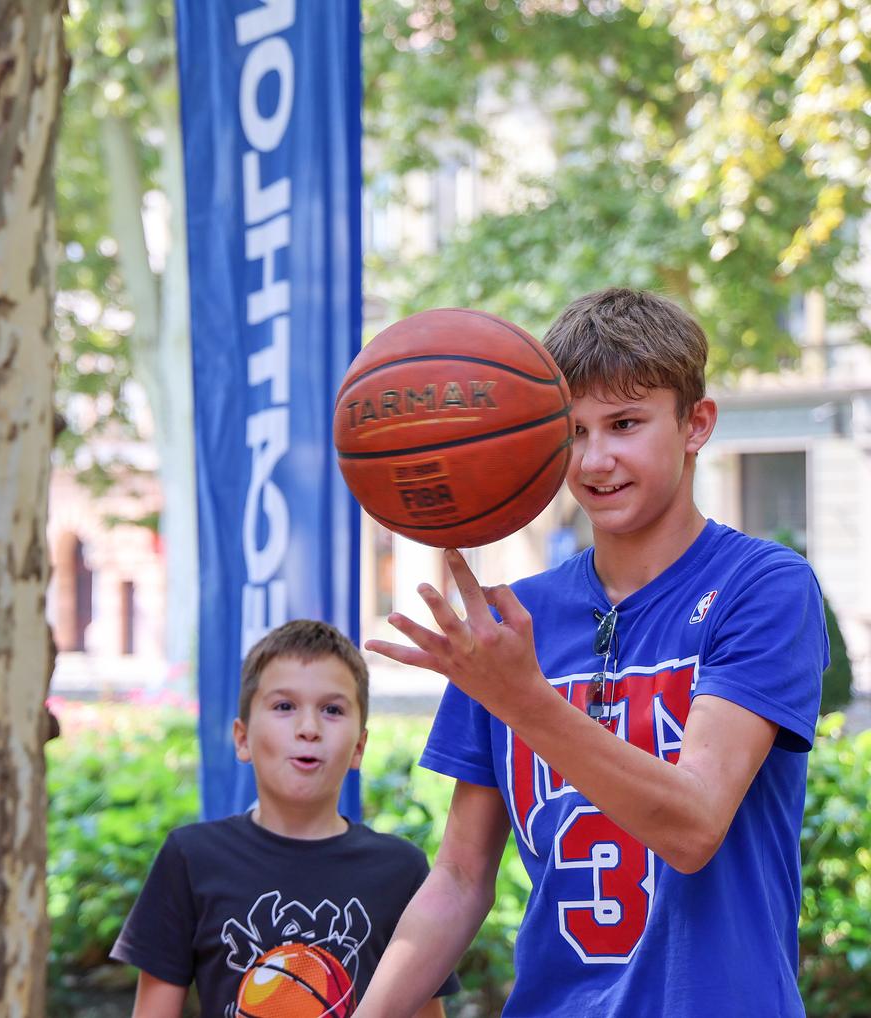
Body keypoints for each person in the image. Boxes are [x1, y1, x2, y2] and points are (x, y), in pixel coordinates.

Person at [355, 288, 827, 1017]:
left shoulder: (762, 586)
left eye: (626, 423)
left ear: (696, 424)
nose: (595, 459)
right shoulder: (517, 620)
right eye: (572, 431)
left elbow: (694, 825)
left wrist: (522, 699)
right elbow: (459, 877)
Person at [112, 619, 458, 1018]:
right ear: (242, 739)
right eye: (284, 706)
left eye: (332, 709)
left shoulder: (401, 869)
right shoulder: (190, 857)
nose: (308, 728)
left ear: (359, 746)